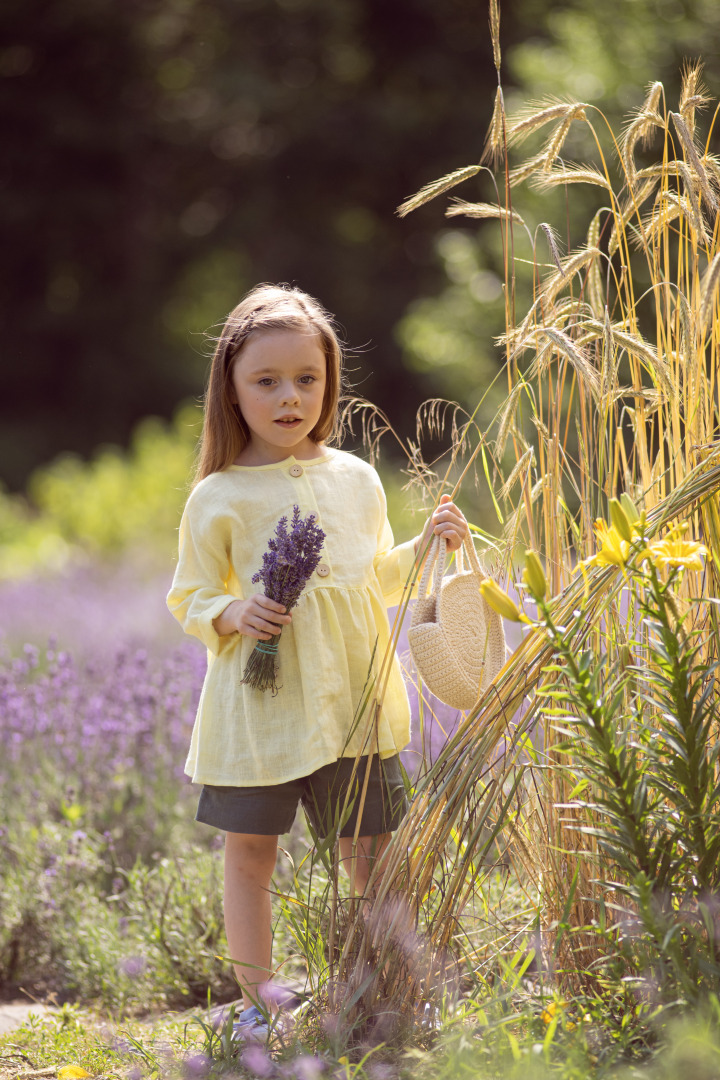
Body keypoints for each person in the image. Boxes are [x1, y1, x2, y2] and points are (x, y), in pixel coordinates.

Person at [167, 283, 468, 1040]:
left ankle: (376, 985)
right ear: (231, 392)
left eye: (307, 378)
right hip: (258, 709)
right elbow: (189, 596)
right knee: (251, 854)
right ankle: (255, 1000)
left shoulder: (356, 480)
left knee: (370, 851)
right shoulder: (218, 495)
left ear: (329, 382)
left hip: (352, 704)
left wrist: (426, 545)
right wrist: (233, 612)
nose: (289, 396)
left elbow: (371, 580)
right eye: (265, 381)